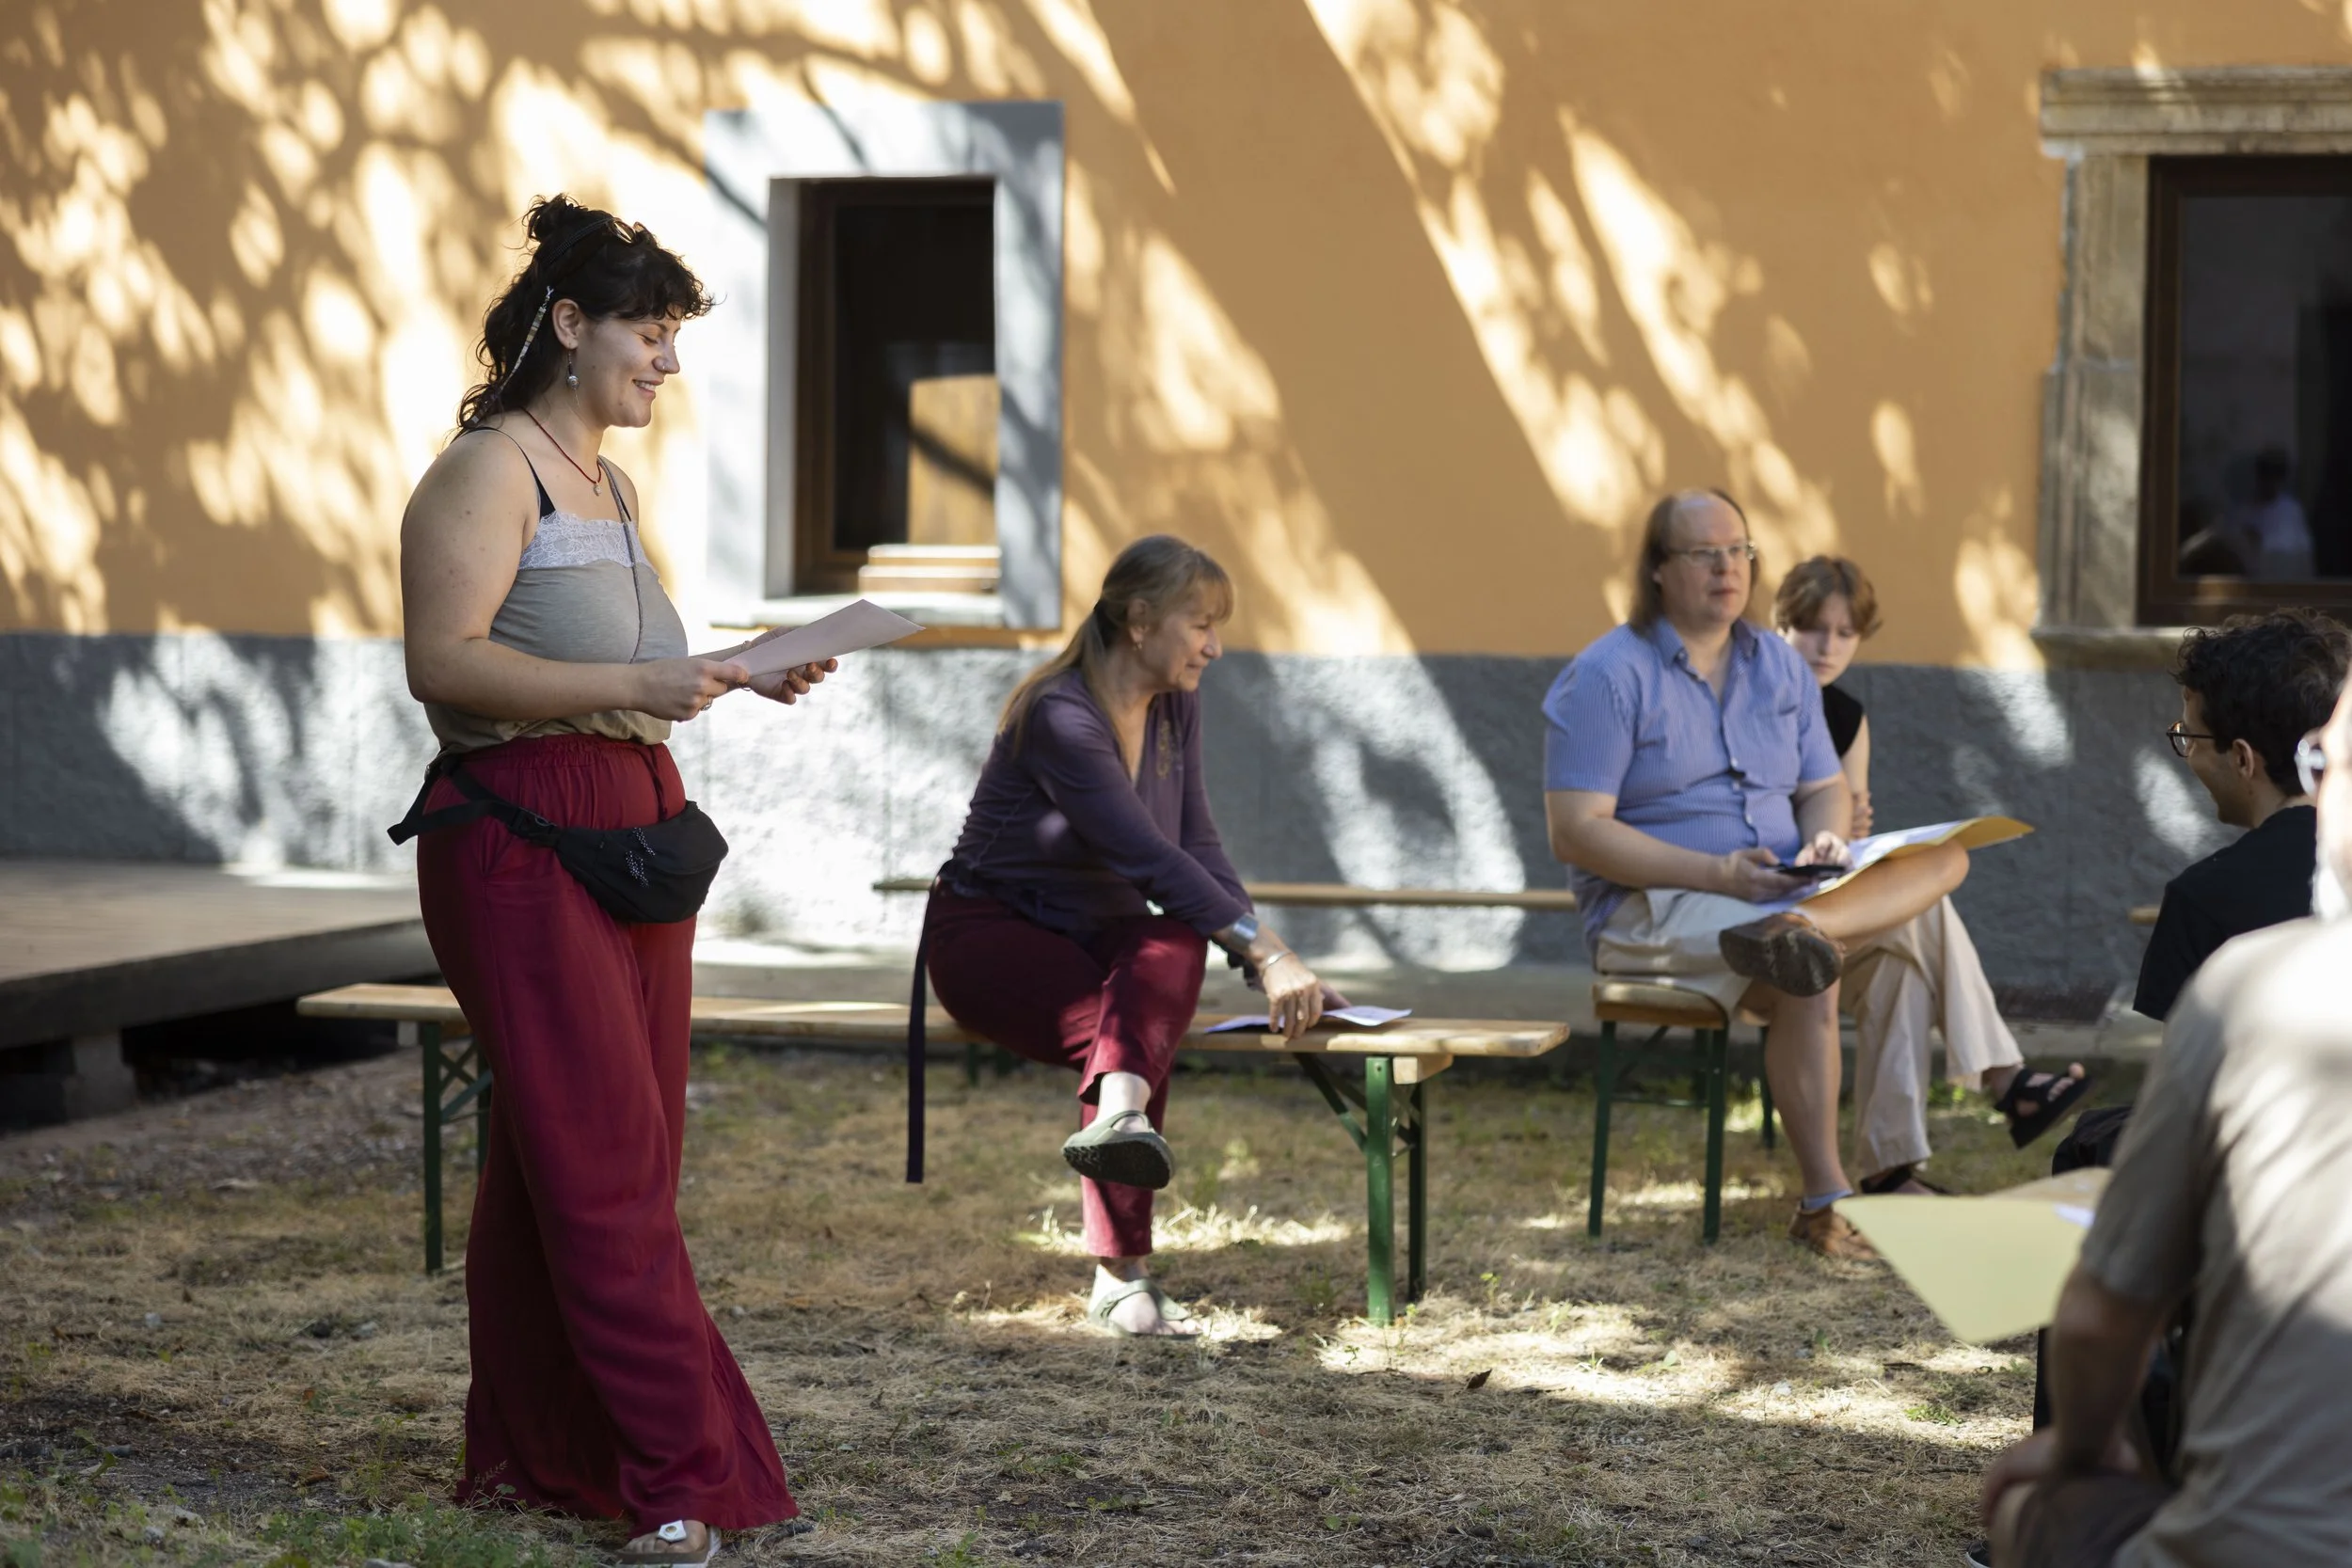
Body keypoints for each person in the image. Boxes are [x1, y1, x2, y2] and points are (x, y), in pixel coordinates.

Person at [399, 197, 830, 1565]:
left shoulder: (609, 485)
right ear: (570, 326)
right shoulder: (486, 471)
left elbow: (622, 670)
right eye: (650, 332)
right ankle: (673, 1478)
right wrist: (641, 682)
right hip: (523, 833)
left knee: (574, 1159)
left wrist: (730, 669)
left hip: (633, 823)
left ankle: (533, 1447)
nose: (669, 362)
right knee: (603, 1165)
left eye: (675, 336)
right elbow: (446, 662)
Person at [1542, 492, 2086, 1257]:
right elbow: (1576, 832)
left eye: (1740, 549)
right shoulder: (1607, 674)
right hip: (1657, 907)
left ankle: (1888, 1171)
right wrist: (1719, 874)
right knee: (1827, 960)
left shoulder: (1776, 665)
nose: (1728, 566)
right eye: (1705, 553)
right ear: (1659, 570)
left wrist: (1826, 840)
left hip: (1784, 893)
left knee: (1945, 860)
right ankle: (1829, 1196)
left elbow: (1822, 786)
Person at [921, 535, 1336, 1337]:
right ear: (1140, 620)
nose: (1215, 646)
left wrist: (1271, 967)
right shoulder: (1059, 714)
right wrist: (1266, 947)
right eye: (1201, 623)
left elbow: (1198, 847)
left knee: (1168, 959)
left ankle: (1120, 1129)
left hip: (1096, 933)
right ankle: (1121, 1270)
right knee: (1135, 1036)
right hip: (988, 934)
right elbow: (1143, 856)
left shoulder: (1176, 703)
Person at [1980, 676, 2352, 1568]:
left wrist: (2076, 1452)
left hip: (2262, 1544)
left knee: (2038, 1500)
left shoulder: (2258, 984)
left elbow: (2106, 1313)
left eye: (2329, 763)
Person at [1773, 557, 2072, 1196]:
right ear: (1782, 624)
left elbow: (1838, 846)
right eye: (1814, 629)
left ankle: (1890, 1171)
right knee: (1919, 913)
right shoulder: (1752, 699)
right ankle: (2003, 1079)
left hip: (1828, 915)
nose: (1829, 647)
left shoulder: (1847, 716)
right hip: (1768, 926)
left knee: (1900, 961)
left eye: (1846, 632)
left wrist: (1849, 825)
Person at [2133, 610, 2348, 1021]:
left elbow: (2181, 1078)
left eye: (2190, 736)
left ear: (2242, 758)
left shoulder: (2200, 900)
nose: (2187, 754)